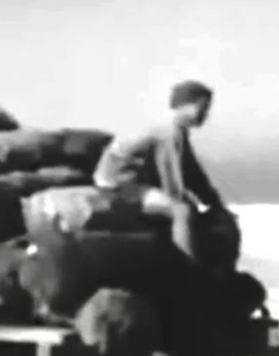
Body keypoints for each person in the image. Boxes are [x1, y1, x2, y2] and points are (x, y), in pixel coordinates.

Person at [93, 80, 230, 263]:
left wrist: (212, 201)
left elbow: (192, 171)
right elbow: (172, 181)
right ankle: (186, 266)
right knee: (181, 211)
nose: (206, 114)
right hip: (117, 185)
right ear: (185, 106)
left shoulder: (173, 130)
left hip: (130, 182)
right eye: (202, 107)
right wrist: (188, 204)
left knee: (182, 206)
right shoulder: (169, 132)